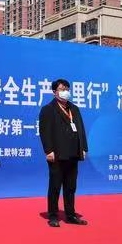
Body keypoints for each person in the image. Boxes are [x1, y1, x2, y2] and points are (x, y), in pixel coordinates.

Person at [38, 79, 89, 227]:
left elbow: (81, 129)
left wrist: (84, 148)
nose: (65, 92)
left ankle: (71, 215)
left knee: (70, 187)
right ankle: (53, 216)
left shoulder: (74, 109)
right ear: (54, 92)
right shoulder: (48, 109)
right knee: (55, 186)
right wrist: (48, 150)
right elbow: (45, 132)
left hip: (73, 153)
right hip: (57, 154)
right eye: (62, 89)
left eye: (67, 89)